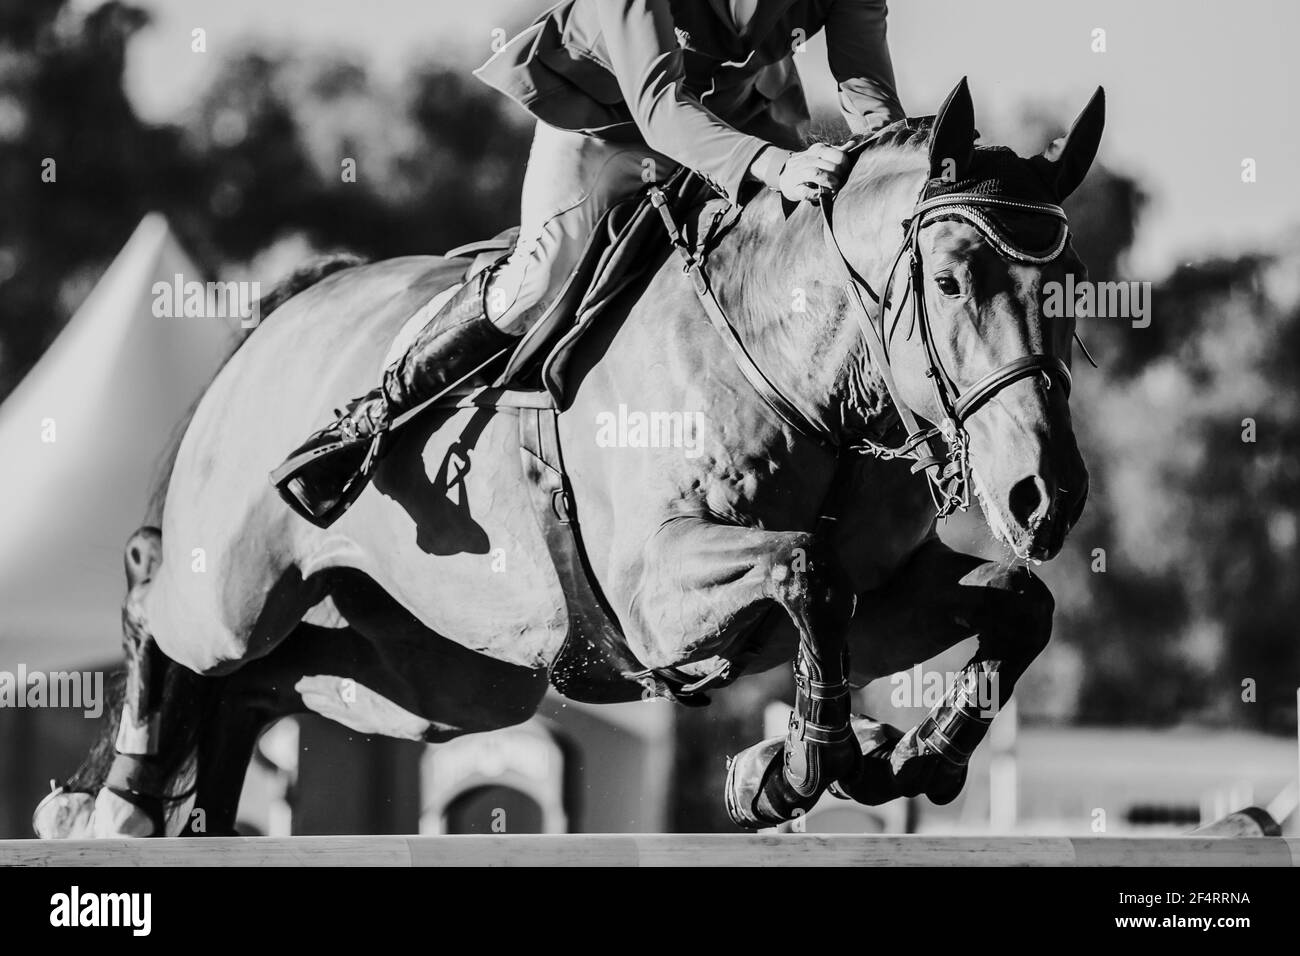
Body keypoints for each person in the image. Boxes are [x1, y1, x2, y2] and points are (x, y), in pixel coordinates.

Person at [274, 0, 905, 525]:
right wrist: (774, 166)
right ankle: (371, 418)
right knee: (539, 284)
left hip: (742, 121)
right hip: (608, 124)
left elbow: (868, 91)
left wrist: (903, 168)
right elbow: (659, 105)